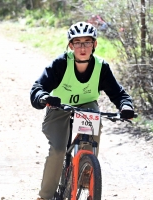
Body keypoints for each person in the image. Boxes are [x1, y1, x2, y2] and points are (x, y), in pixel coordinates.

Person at [30, 21, 135, 200]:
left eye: (87, 42)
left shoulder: (101, 67)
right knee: (57, 150)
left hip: (87, 107)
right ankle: (45, 196)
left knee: (89, 141)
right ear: (71, 45)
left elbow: (118, 93)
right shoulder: (61, 64)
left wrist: (126, 106)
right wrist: (44, 98)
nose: (82, 47)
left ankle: (87, 171)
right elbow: (38, 87)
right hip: (59, 106)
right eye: (77, 42)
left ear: (94, 44)